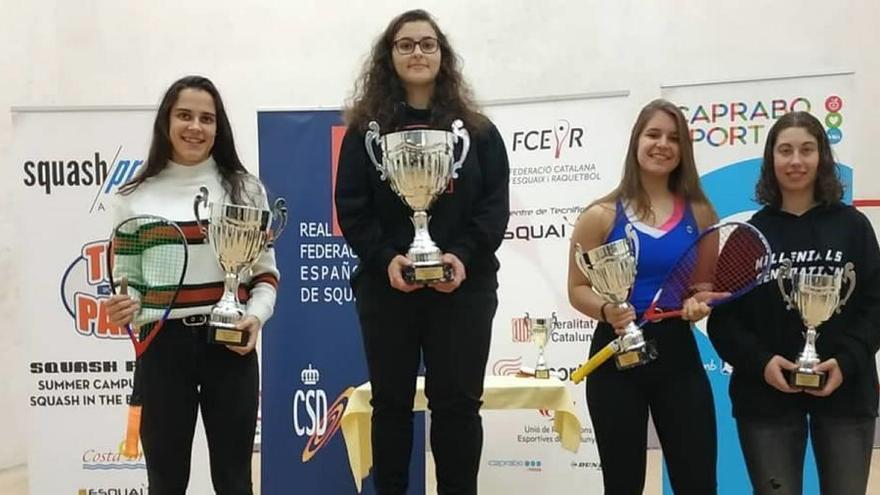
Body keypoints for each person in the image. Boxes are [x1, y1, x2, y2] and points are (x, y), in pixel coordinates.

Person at [335, 9, 509, 495]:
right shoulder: (365, 133)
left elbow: (494, 208)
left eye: (427, 44)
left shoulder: (478, 132)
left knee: (457, 406)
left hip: (465, 289)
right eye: (405, 44)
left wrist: (463, 256)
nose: (417, 52)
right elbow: (352, 207)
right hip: (387, 288)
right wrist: (385, 258)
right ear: (389, 57)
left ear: (442, 54)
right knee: (389, 405)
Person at [105, 75, 279, 495]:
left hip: (230, 347)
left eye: (207, 118)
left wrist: (253, 319)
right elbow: (127, 283)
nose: (195, 127)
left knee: (235, 480)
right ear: (167, 121)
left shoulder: (246, 190)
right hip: (162, 350)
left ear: (219, 128)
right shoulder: (133, 197)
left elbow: (266, 276)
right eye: (185, 115)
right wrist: (124, 307)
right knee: (165, 481)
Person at [708, 111, 880, 495]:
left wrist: (848, 361)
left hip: (847, 394)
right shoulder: (749, 235)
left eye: (807, 149)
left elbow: (875, 305)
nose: (796, 160)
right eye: (785, 150)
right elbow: (724, 320)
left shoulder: (853, 226)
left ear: (822, 157)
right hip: (765, 400)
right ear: (771, 160)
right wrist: (762, 362)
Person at [567, 99, 720, 494]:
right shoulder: (599, 215)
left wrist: (697, 303)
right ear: (636, 141)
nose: (662, 144)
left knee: (697, 481)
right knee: (622, 484)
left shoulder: (702, 214)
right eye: (653, 134)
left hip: (677, 355)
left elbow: (703, 286)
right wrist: (607, 310)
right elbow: (577, 288)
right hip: (614, 354)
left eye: (673, 138)